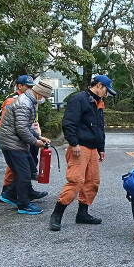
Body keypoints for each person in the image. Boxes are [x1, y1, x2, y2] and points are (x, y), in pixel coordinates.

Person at [49, 75, 116, 231]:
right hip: (80, 147)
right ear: (99, 85)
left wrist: (101, 148)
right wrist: (73, 143)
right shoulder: (78, 99)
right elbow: (68, 123)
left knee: (92, 182)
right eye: (106, 90)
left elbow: (99, 127)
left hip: (92, 148)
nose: (106, 94)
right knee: (76, 181)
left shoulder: (98, 102)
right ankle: (56, 215)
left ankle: (82, 214)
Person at [0, 81, 54, 215]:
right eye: (44, 97)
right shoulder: (24, 103)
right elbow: (22, 129)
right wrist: (35, 142)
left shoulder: (28, 101)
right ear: (39, 94)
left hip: (15, 142)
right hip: (12, 143)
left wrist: (39, 137)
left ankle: (10, 194)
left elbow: (27, 126)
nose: (44, 100)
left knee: (28, 169)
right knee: (24, 173)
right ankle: (24, 205)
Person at [0, 75, 44, 193]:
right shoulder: (13, 100)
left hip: (25, 135)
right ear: (19, 86)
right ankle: (7, 191)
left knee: (27, 166)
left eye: (31, 87)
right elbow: (7, 123)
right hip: (15, 138)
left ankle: (27, 191)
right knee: (16, 167)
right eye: (28, 87)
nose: (30, 89)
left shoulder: (28, 98)